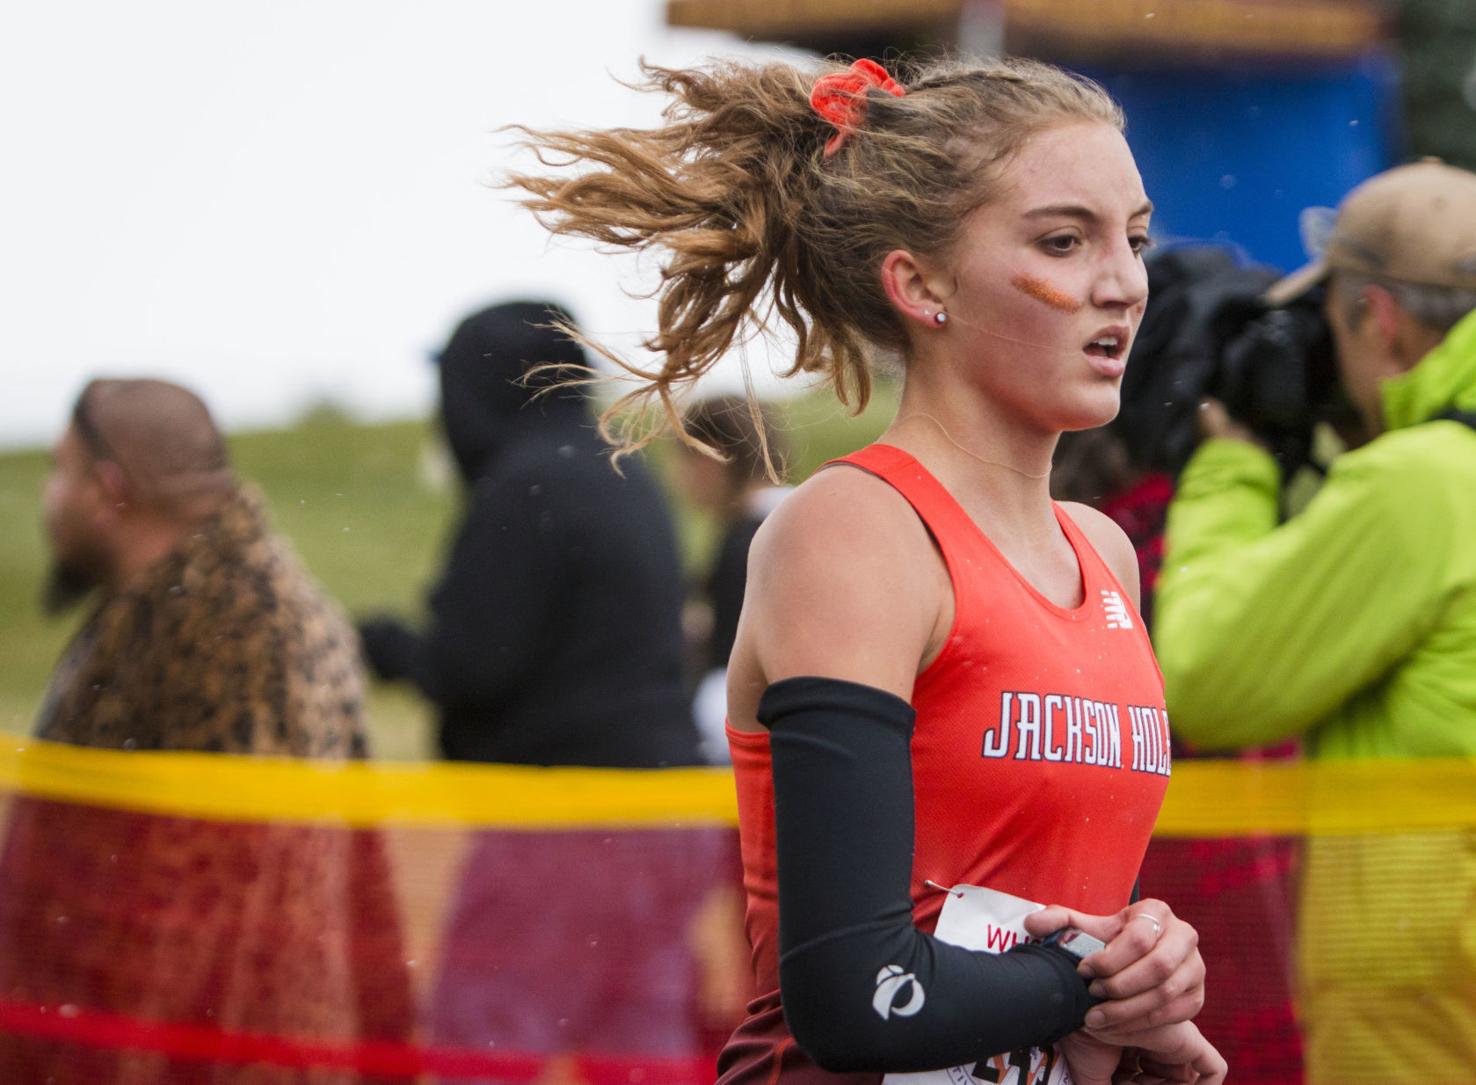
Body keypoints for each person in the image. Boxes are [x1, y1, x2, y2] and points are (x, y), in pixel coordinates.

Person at [511, 54, 1224, 1085]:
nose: (1122, 281)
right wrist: (1104, 982)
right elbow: (858, 993)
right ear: (919, 282)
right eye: (1064, 241)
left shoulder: (1101, 549)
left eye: (1136, 238)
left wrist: (1147, 964)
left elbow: (1040, 897)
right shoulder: (858, 528)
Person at [1153, 159, 1476, 1083]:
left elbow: (1204, 679)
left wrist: (1233, 465)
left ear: (1378, 317)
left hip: (1429, 1019)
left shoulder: (1428, 481)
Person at [1, 378, 411, 1082]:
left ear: (108, 488)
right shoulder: (173, 602)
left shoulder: (240, 626)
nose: (49, 500)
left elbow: (229, 916)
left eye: (57, 472)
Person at [357, 300, 699, 768]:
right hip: (650, 780)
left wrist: (383, 645)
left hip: (562, 801)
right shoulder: (617, 463)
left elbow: (473, 667)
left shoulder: (528, 485)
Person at [674, 395, 791, 762]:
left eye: (682, 460)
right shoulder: (797, 518)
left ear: (710, 458)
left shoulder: (750, 540)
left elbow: (730, 664)